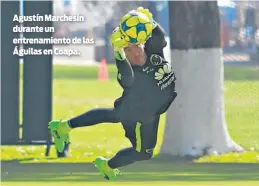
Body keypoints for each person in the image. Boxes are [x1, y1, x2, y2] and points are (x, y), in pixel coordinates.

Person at [48, 7, 177, 181]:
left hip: (151, 111)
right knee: (140, 148)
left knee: (134, 140)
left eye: (137, 44)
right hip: (138, 114)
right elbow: (126, 80)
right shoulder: (130, 72)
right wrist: (118, 53)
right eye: (129, 49)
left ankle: (70, 134)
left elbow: (158, 36)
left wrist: (149, 20)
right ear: (125, 55)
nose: (136, 49)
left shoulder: (153, 51)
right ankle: (68, 132)